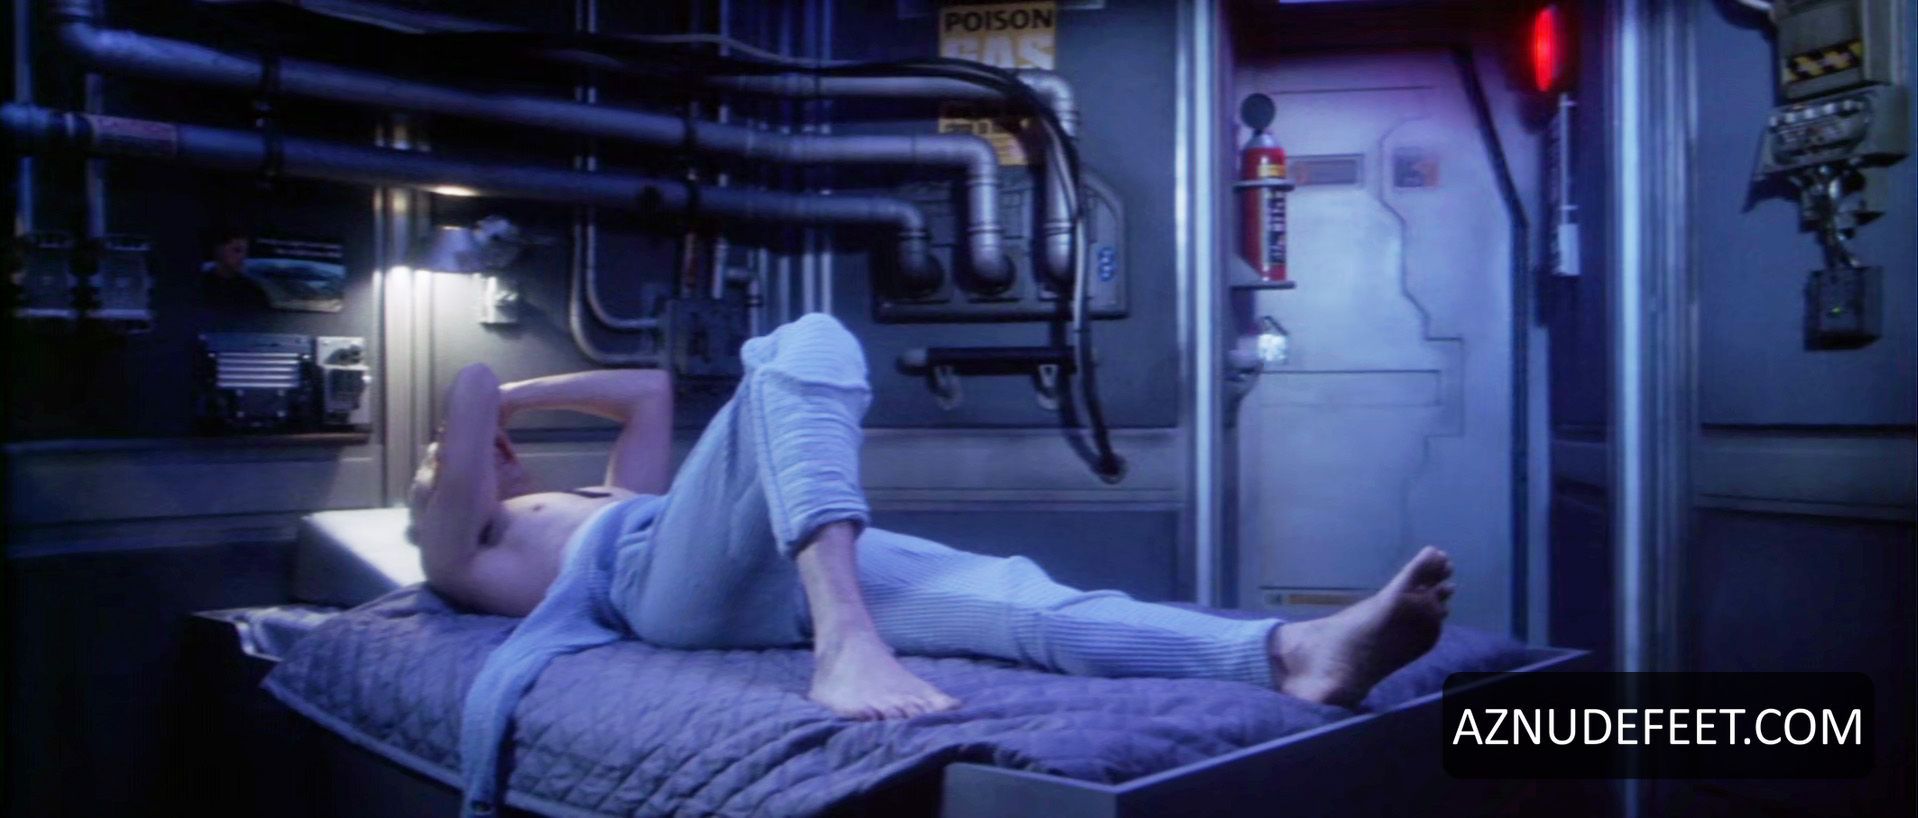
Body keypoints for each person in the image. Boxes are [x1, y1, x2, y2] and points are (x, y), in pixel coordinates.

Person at [413, 314, 1455, 815]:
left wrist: (519, 404)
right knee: (807, 339)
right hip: (659, 591)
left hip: (746, 556)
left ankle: (1289, 654)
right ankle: (845, 639)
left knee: (1015, 600)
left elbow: (645, 389)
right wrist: (478, 422)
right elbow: (465, 386)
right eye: (455, 461)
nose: (481, 453)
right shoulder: (464, 546)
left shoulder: (593, 494)